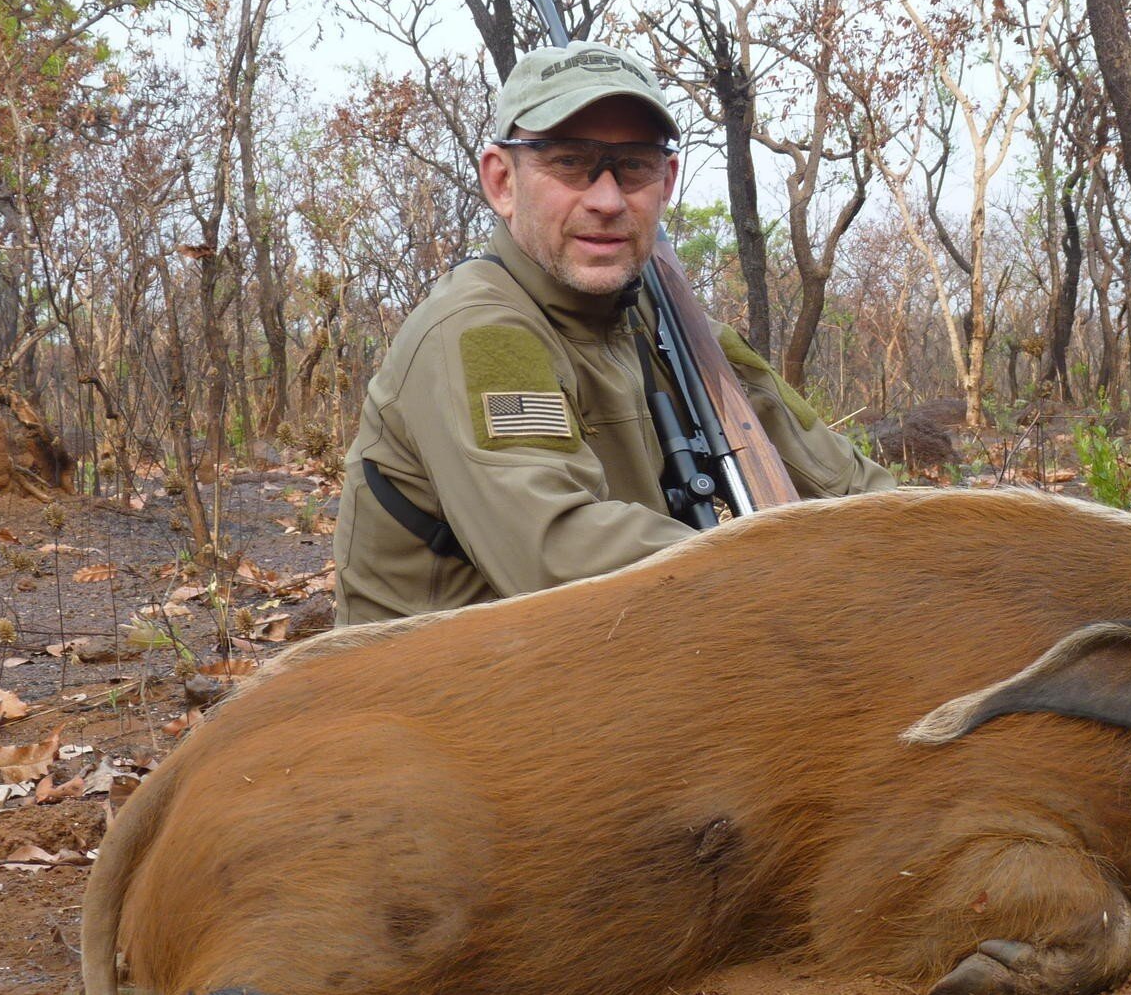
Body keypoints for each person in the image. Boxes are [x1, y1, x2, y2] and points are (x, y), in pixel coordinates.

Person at [334, 41, 895, 625]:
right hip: (442, 691)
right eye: (570, 162)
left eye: (633, 166)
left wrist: (940, 542)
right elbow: (557, 555)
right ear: (502, 181)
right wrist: (787, 569)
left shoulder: (673, 327)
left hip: (601, 660)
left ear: (667, 180)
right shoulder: (479, 329)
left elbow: (846, 481)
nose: (606, 200)